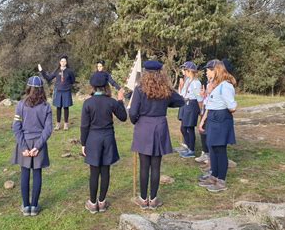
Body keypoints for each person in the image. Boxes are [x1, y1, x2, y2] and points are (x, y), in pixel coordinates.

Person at [129, 61, 185, 209]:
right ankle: (153, 200)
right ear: (161, 74)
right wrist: (167, 103)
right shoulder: (165, 89)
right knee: (156, 166)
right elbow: (180, 101)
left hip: (143, 127)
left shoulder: (139, 89)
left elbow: (133, 112)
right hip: (160, 126)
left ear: (145, 73)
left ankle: (143, 199)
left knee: (144, 166)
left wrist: (136, 121)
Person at [81, 72, 127, 213]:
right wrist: (120, 100)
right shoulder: (111, 102)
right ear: (106, 86)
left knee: (94, 172)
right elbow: (124, 117)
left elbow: (84, 126)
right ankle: (102, 202)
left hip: (93, 139)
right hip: (107, 138)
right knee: (105, 170)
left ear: (93, 86)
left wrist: (83, 143)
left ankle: (92, 203)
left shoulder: (87, 103)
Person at [12, 76, 53, 216]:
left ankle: (26, 206)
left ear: (28, 88)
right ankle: (34, 206)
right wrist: (38, 146)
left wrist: (23, 147)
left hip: (24, 142)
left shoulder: (20, 105)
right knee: (37, 174)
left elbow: (16, 127)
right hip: (38, 144)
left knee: (24, 174)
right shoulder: (46, 106)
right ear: (42, 89)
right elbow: (48, 129)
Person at [198, 60, 237, 192]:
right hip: (214, 119)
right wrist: (204, 120)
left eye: (210, 70)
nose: (207, 72)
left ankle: (221, 180)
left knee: (220, 150)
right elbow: (210, 104)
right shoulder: (217, 86)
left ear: (217, 71)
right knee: (213, 149)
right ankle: (213, 176)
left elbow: (232, 107)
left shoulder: (225, 86)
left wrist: (221, 110)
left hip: (221, 119)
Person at [38, 55, 75, 130]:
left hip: (66, 91)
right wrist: (41, 71)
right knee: (58, 108)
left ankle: (66, 124)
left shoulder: (70, 71)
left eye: (64, 61)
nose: (63, 62)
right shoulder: (57, 71)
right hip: (58, 91)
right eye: (61, 61)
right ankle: (58, 124)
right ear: (60, 62)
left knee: (66, 108)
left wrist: (67, 86)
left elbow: (72, 80)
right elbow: (48, 78)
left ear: (66, 62)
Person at [176, 61, 203, 158]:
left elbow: (199, 98)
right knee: (183, 128)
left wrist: (201, 111)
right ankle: (188, 147)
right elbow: (183, 93)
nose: (184, 71)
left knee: (189, 128)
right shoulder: (188, 81)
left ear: (190, 71)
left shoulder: (196, 83)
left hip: (192, 105)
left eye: (185, 69)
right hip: (185, 103)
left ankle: (191, 150)